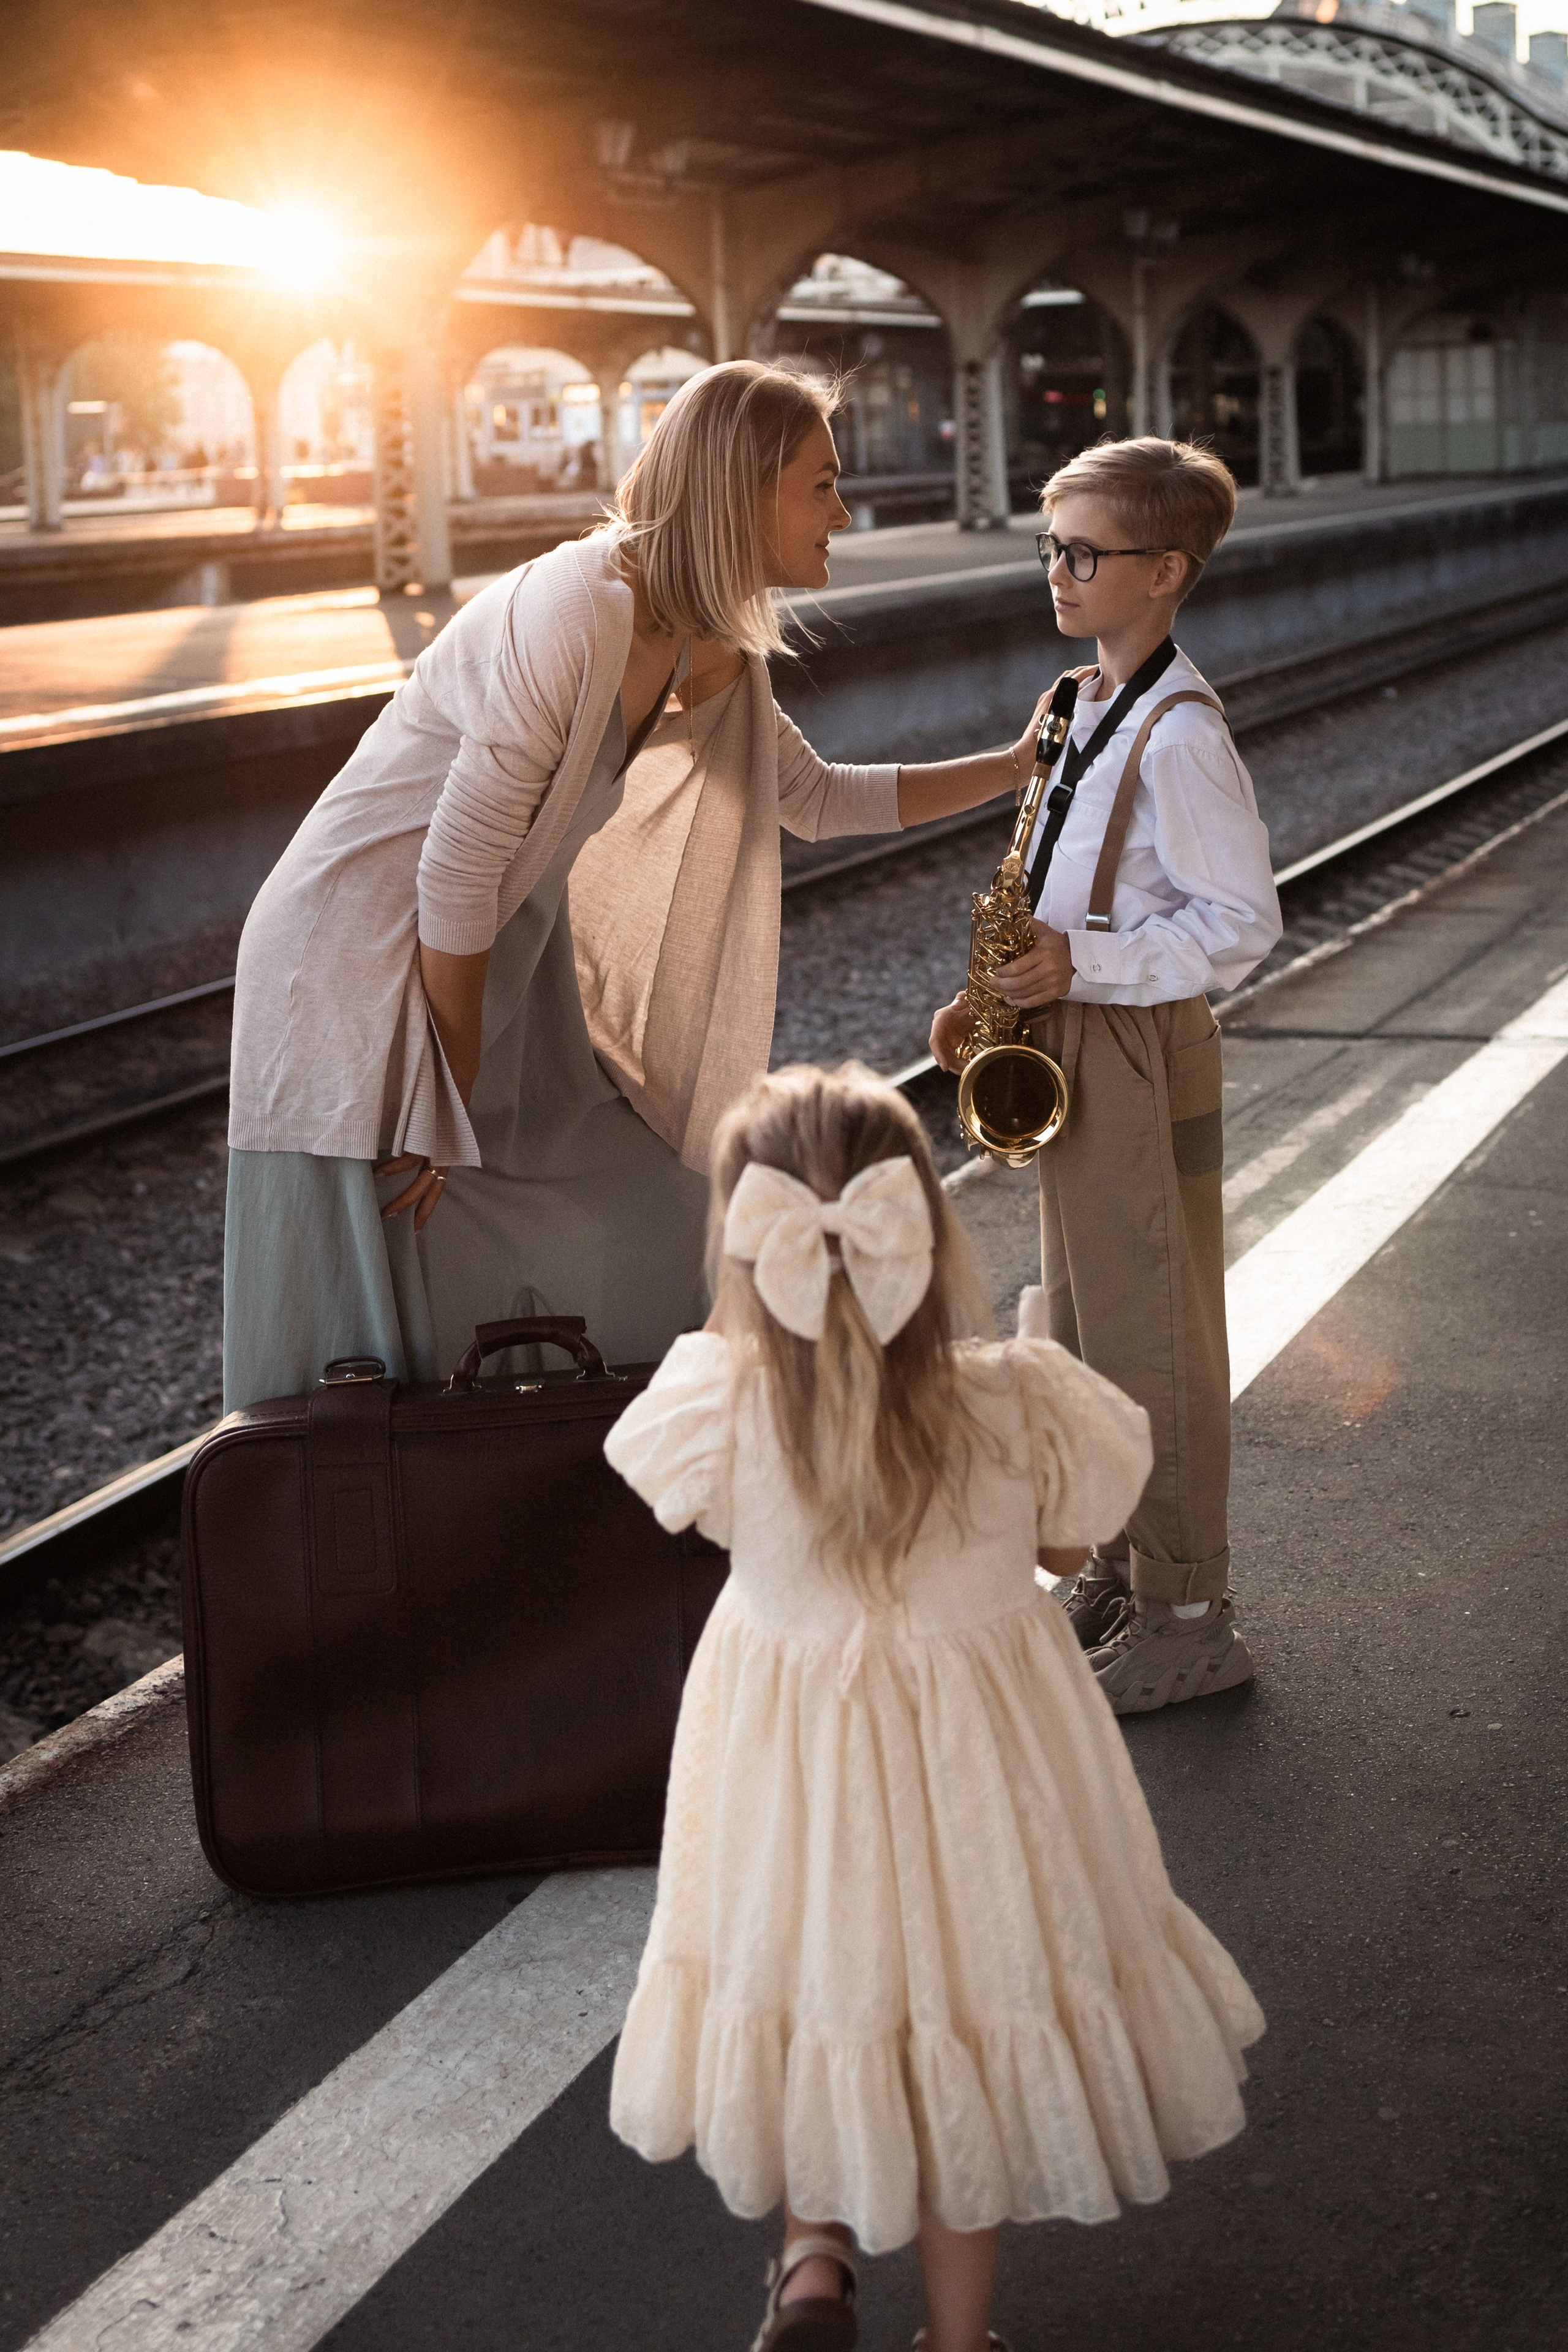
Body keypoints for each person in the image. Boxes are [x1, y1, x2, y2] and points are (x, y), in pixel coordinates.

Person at [604, 1061, 1265, 2352]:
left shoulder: (719, 1404)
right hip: (982, 1770)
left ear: (750, 1252)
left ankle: (810, 2264)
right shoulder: (1015, 1398)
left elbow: (700, 1515)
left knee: (812, 1987)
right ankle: (956, 2347)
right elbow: (1073, 1554)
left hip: (791, 1762)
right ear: (927, 1229)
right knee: (969, 2004)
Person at [222, 361, 1035, 1408]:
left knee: (658, 1196)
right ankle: (398, 1531)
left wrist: (1015, 768)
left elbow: (816, 799)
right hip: (362, 964)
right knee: (382, 1305)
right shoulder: (578, 609)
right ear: (742, 489)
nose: (844, 509)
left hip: (478, 965)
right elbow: (456, 866)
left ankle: (589, 1481)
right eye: (821, 483)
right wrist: (447, 1089)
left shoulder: (710, 645)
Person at [930, 436, 1281, 1719]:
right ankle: (1130, 1569)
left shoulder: (1179, 733)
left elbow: (1239, 923)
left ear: (1165, 571)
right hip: (1068, 1024)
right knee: (1081, 1328)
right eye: (1050, 548)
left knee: (1155, 1334)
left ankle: (1190, 1612)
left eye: (1084, 554)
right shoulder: (1080, 700)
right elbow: (1057, 878)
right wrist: (990, 993)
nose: (1056, 572)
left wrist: (1082, 967)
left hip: (1128, 1038)